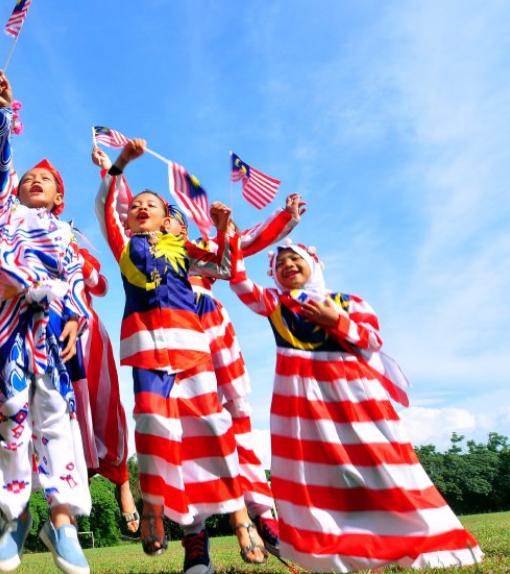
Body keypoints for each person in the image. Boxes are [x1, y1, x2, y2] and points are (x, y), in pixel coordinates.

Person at [229, 239, 484, 571]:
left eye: (295, 259)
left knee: (383, 464)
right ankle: (334, 547)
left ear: (314, 264)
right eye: (279, 264)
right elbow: (239, 283)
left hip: (353, 396)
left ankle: (429, 539)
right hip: (300, 402)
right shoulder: (276, 303)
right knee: (315, 473)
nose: (287, 265)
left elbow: (372, 341)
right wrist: (229, 238)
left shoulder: (347, 301)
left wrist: (335, 319)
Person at [95, 139, 246, 574]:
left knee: (212, 424)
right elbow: (106, 202)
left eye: (152, 205)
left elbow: (222, 267)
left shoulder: (182, 250)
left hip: (192, 348)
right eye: (135, 205)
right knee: (153, 426)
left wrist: (222, 230)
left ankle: (240, 520)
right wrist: (120, 164)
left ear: (168, 219)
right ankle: (154, 509)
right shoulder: (124, 245)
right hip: (144, 349)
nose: (141, 208)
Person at [0, 72, 92, 574]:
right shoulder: (4, 212)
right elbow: (0, 164)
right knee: (12, 412)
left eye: (45, 180)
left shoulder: (64, 233)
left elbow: (75, 279)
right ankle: (16, 516)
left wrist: (75, 318)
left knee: (55, 418)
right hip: (11, 321)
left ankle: (63, 521)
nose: (34, 180)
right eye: (30, 176)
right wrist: (2, 113)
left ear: (57, 198)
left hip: (52, 329)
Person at [71, 247, 139, 533]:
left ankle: (122, 482)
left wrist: (76, 259)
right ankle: (71, 500)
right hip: (50, 334)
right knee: (67, 414)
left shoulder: (79, 251)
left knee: (105, 409)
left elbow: (101, 287)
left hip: (89, 336)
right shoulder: (30, 244)